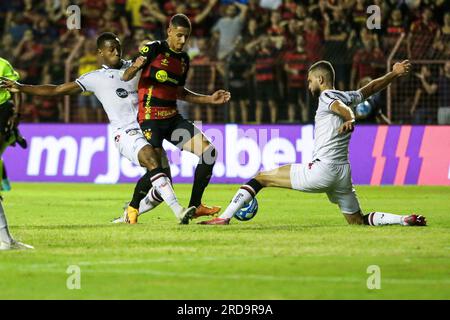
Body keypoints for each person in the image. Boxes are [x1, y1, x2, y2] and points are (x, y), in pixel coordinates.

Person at [0, 33, 197, 225]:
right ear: (100, 52)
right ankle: (178, 211)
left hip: (149, 128)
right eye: (111, 49)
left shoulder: (137, 68)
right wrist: (22, 87)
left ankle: (129, 213)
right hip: (125, 133)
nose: (116, 52)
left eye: (118, 47)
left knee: (162, 183)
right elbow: (57, 89)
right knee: (152, 161)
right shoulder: (95, 78)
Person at [200, 60, 427, 227]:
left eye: (310, 81)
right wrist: (393, 74)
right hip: (342, 174)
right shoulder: (348, 95)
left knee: (261, 177)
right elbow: (370, 89)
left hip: (322, 169)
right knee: (357, 221)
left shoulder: (328, 97)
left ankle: (224, 217)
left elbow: (341, 108)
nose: (308, 85)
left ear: (320, 80)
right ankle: (403, 219)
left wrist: (349, 118)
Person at [120, 14, 231, 224]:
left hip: (172, 120)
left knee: (209, 153)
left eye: (186, 37)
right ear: (169, 31)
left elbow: (180, 93)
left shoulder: (183, 60)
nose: (182, 41)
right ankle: (132, 208)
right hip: (150, 119)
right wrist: (135, 66)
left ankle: (196, 205)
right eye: (179, 35)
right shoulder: (154, 49)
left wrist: (209, 99)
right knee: (159, 172)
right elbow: (126, 76)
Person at [0, 57, 32, 250]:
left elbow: (16, 88)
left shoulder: (3, 65)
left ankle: (5, 240)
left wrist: (17, 115)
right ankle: (5, 241)